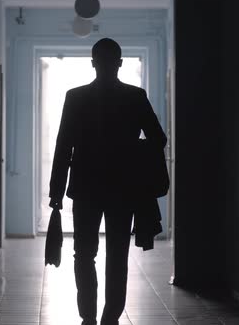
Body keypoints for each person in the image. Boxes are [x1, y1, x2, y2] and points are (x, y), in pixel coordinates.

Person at [48, 38, 167, 325]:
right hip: (123, 188)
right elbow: (158, 139)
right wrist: (132, 151)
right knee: (117, 255)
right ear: (119, 63)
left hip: (86, 187)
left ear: (93, 63)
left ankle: (88, 317)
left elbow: (64, 145)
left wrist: (56, 191)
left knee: (84, 254)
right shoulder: (135, 97)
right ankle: (110, 317)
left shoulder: (75, 97)